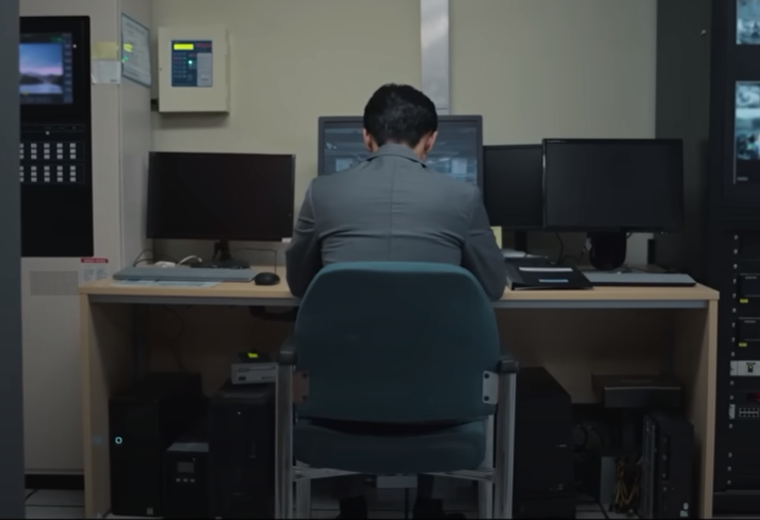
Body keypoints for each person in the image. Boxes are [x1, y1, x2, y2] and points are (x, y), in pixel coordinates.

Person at [286, 83, 506, 519]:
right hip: (437, 394)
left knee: (348, 350)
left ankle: (351, 506)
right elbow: (494, 285)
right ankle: (430, 505)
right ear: (431, 139)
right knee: (435, 345)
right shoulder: (463, 197)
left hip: (342, 394)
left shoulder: (321, 192)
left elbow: (298, 283)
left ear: (366, 137)